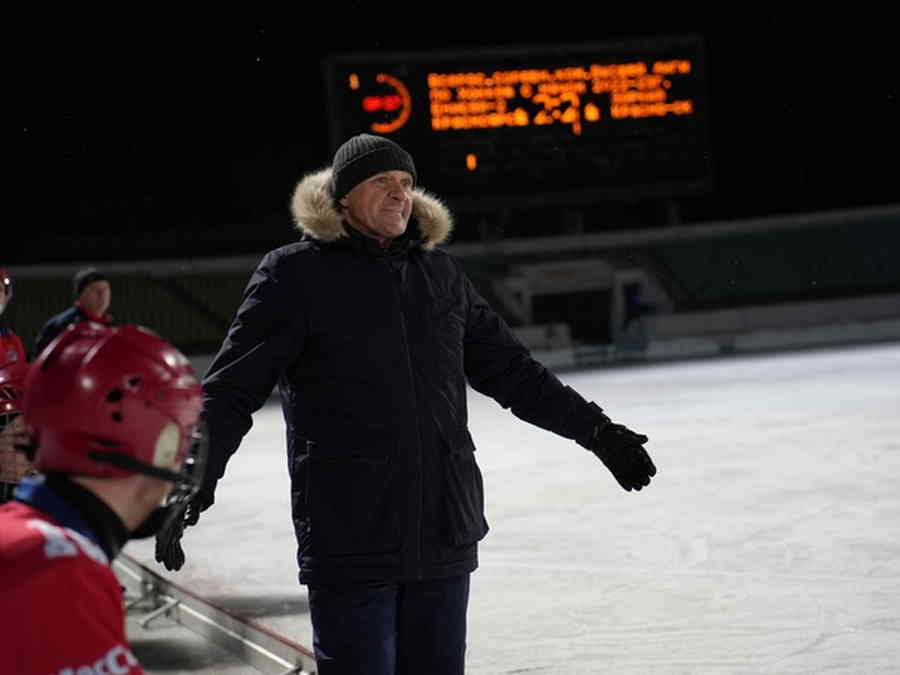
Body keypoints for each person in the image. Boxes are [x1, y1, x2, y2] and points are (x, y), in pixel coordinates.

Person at [156, 133, 657, 675]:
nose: (400, 194)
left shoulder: (441, 277)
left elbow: (516, 374)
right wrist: (193, 477)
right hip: (351, 534)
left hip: (444, 529)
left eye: (406, 183)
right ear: (343, 197)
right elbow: (231, 390)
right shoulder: (293, 275)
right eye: (381, 182)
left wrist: (598, 432)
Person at [0, 323, 205, 675]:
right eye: (180, 436)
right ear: (143, 443)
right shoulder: (56, 570)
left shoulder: (26, 535)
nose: (182, 457)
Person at [31, 266, 113, 359]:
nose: (102, 294)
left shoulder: (110, 325)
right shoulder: (62, 325)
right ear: (81, 294)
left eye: (106, 289)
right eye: (94, 289)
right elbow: (40, 361)